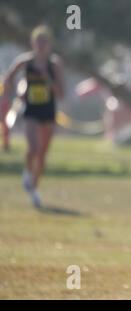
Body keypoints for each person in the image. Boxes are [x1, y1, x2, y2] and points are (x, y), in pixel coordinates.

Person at [1, 25, 64, 207]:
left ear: (50, 44)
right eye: (38, 41)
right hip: (31, 111)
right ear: (33, 43)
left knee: (43, 154)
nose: (42, 45)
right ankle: (27, 172)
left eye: (45, 42)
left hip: (48, 111)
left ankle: (34, 190)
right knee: (33, 148)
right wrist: (12, 93)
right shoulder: (25, 62)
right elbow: (9, 77)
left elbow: (60, 93)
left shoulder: (54, 65)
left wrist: (48, 80)